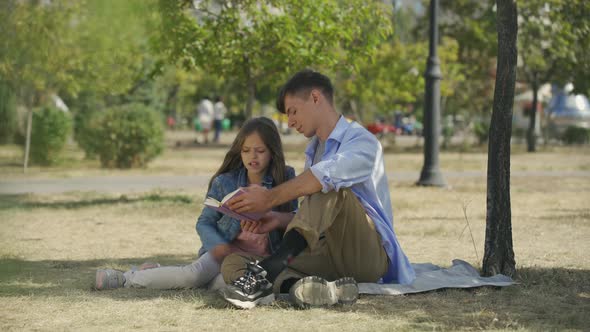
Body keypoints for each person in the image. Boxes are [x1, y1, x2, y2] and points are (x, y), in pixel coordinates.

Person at [218, 69, 415, 309]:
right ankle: (301, 288)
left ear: (315, 98)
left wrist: (268, 198)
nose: (289, 122)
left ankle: (272, 270)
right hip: (325, 252)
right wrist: (278, 219)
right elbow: (316, 218)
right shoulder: (313, 153)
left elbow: (327, 184)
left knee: (330, 185)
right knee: (233, 262)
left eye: (292, 111)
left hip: (366, 255)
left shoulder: (362, 141)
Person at [95, 117, 298, 291]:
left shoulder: (285, 177)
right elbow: (204, 222)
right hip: (224, 252)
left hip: (262, 259)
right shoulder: (225, 182)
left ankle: (155, 272)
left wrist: (274, 219)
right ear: (239, 151)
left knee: (222, 285)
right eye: (246, 150)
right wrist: (217, 245)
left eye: (260, 150)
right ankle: (126, 278)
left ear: (272, 151)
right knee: (191, 277)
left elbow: (297, 219)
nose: (252, 156)